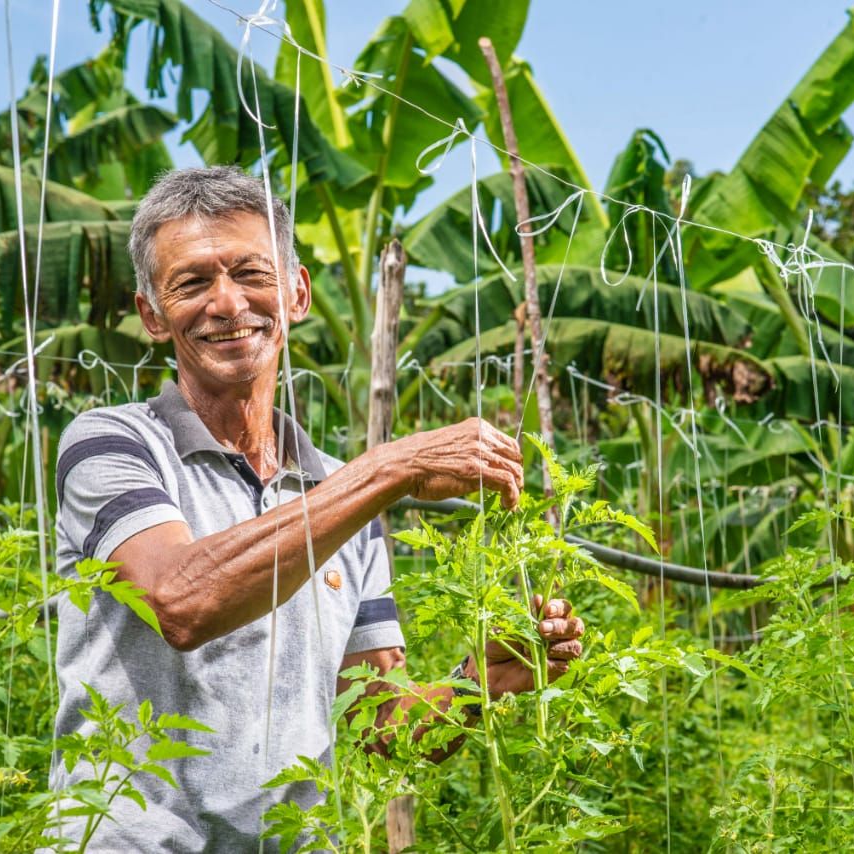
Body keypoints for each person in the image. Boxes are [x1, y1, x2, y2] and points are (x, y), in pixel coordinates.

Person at [49, 165, 586, 851]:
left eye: (251, 273)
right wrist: (390, 468)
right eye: (191, 282)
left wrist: (483, 681)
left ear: (296, 293)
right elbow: (180, 602)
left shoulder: (340, 494)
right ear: (153, 314)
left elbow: (378, 726)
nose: (226, 302)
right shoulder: (112, 442)